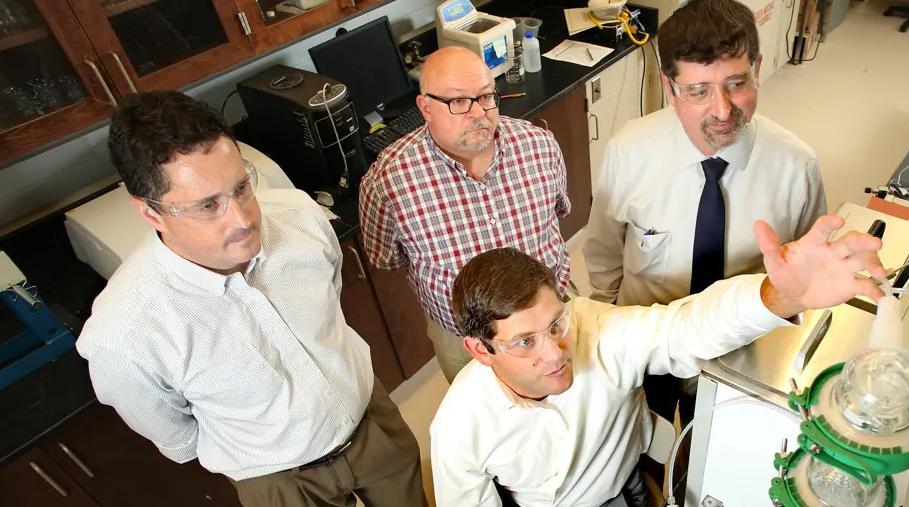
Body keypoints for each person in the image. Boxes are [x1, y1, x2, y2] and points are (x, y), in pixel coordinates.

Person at [76, 91, 426, 507]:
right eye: (207, 206)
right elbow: (177, 438)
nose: (242, 219)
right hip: (278, 481)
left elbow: (332, 299)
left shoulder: (301, 217)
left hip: (372, 422)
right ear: (150, 212)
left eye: (242, 187)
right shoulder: (124, 335)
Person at [431, 215, 886, 506]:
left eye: (555, 325)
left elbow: (684, 328)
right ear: (480, 350)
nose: (555, 353)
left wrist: (777, 296)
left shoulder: (596, 329)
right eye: (524, 343)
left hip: (628, 484)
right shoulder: (457, 426)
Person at [583, 0, 828, 425]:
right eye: (698, 91)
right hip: (646, 346)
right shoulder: (628, 152)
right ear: (669, 86)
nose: (721, 109)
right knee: (643, 453)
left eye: (736, 83)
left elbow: (805, 279)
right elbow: (604, 253)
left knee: (706, 466)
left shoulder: (797, 168)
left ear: (758, 68)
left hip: (739, 358)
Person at [359, 46, 571, 382]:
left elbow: (558, 214)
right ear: (425, 107)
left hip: (550, 322)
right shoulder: (389, 181)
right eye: (458, 101)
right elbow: (386, 258)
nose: (479, 113)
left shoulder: (540, 145)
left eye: (487, 96)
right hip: (464, 340)